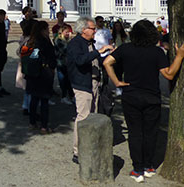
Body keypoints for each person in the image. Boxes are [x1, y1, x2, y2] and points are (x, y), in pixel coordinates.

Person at [104, 20, 184, 182]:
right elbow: (169, 74)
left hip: (131, 96)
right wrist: (180, 56)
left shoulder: (125, 48)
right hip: (151, 97)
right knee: (150, 132)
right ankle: (148, 165)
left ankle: (137, 168)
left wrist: (117, 82)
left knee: (135, 133)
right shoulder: (156, 52)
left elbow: (107, 62)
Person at [67, 17, 114, 164]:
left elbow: (95, 60)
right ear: (83, 30)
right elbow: (80, 60)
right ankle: (78, 151)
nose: (95, 31)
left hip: (93, 82)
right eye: (92, 28)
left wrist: (108, 56)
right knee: (83, 116)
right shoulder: (75, 44)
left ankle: (89, 145)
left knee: (92, 114)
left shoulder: (89, 43)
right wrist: (99, 51)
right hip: (82, 84)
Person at [25, 21, 57, 134]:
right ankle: (44, 126)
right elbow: (51, 56)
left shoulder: (31, 41)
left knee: (34, 99)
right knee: (44, 101)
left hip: (32, 74)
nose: (48, 31)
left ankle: (32, 122)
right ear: (43, 30)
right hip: (43, 73)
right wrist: (52, 67)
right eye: (47, 29)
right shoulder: (44, 42)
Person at [53, 24, 74, 105]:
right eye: (66, 32)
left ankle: (71, 96)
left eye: (68, 32)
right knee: (63, 80)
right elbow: (66, 50)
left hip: (67, 63)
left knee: (68, 80)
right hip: (61, 63)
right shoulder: (58, 40)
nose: (68, 34)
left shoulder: (67, 40)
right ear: (61, 32)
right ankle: (64, 96)